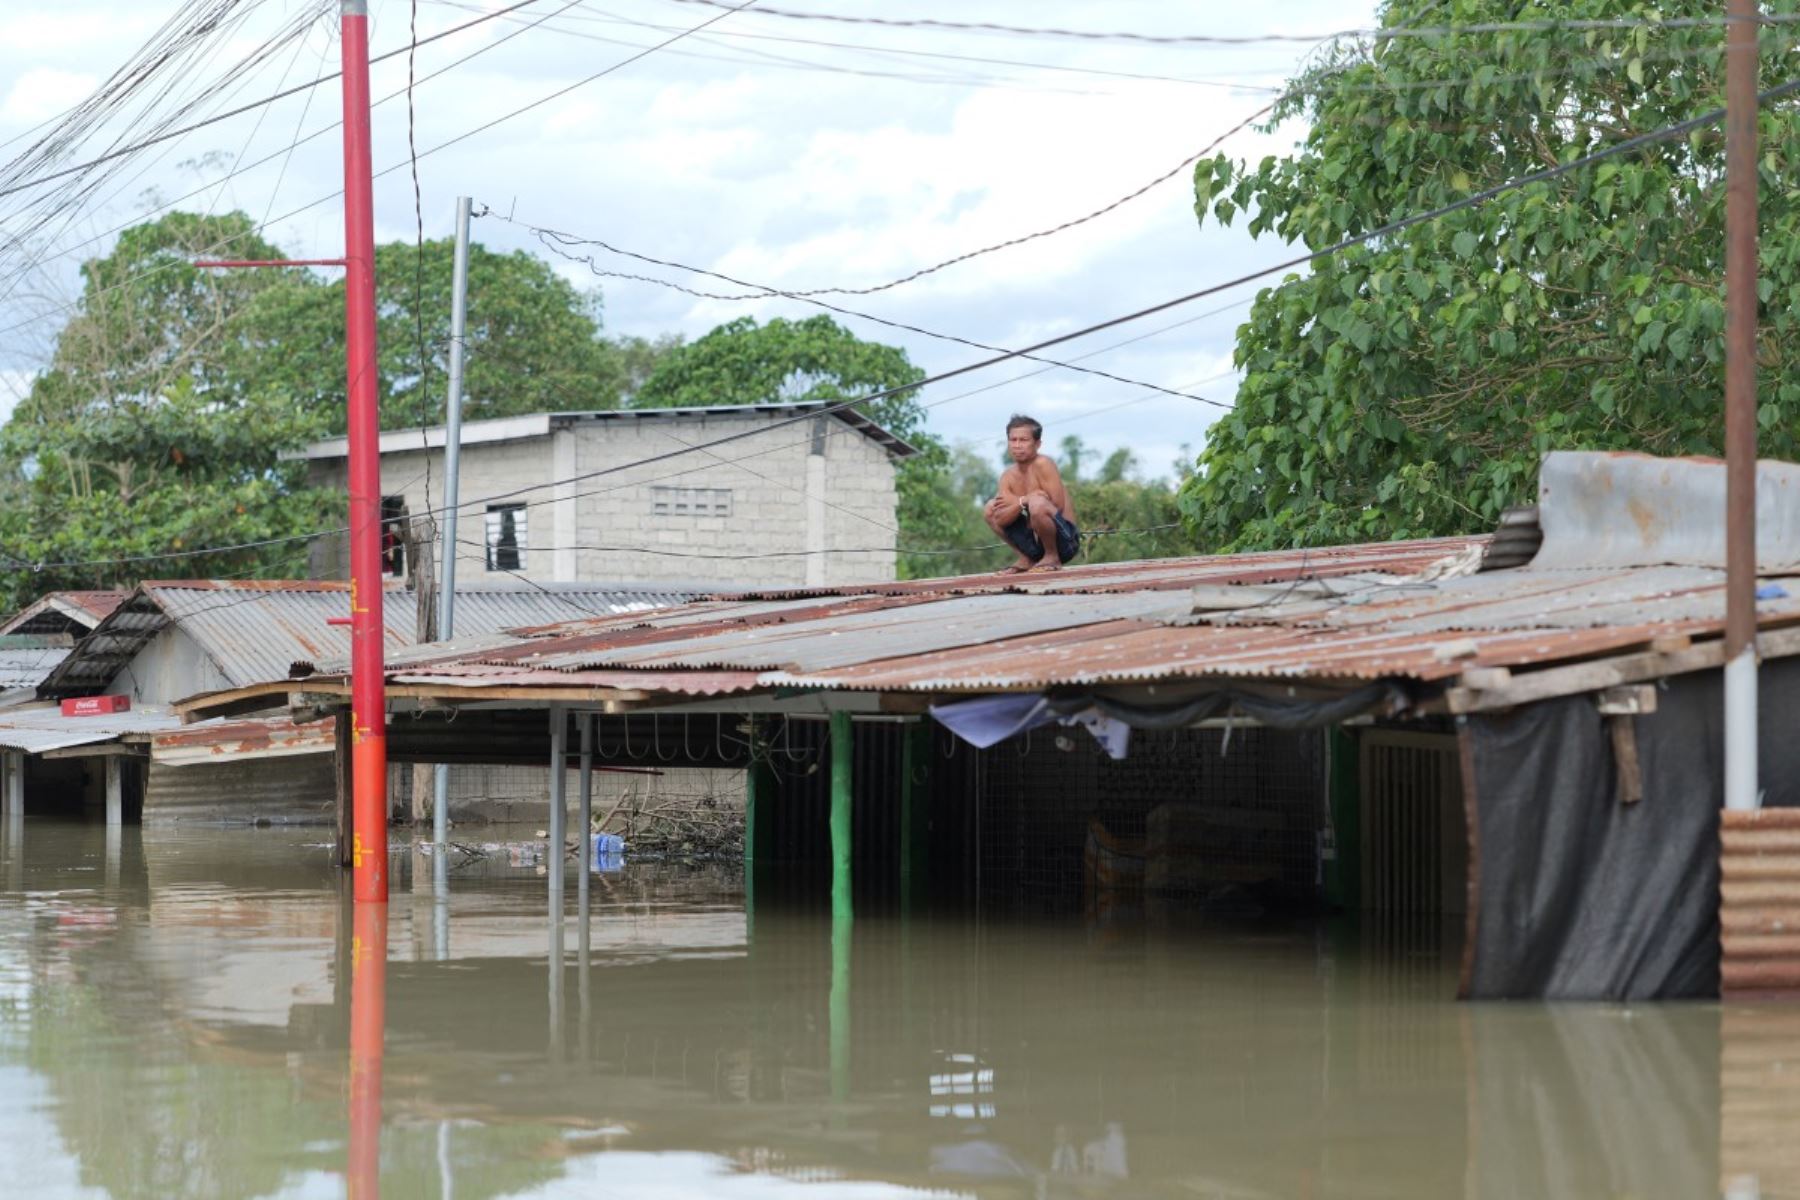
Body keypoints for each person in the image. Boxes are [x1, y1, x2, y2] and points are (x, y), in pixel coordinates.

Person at [984, 414, 1080, 573]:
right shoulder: (1007, 477)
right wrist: (1023, 501)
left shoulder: (1044, 464)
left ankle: (1052, 556)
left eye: (1023, 440)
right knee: (990, 507)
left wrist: (1024, 503)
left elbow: (1057, 505)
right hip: (1033, 547)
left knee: (1037, 503)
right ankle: (1025, 558)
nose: (1017, 445)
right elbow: (1000, 518)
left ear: (1037, 444)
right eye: (1013, 440)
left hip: (1064, 542)